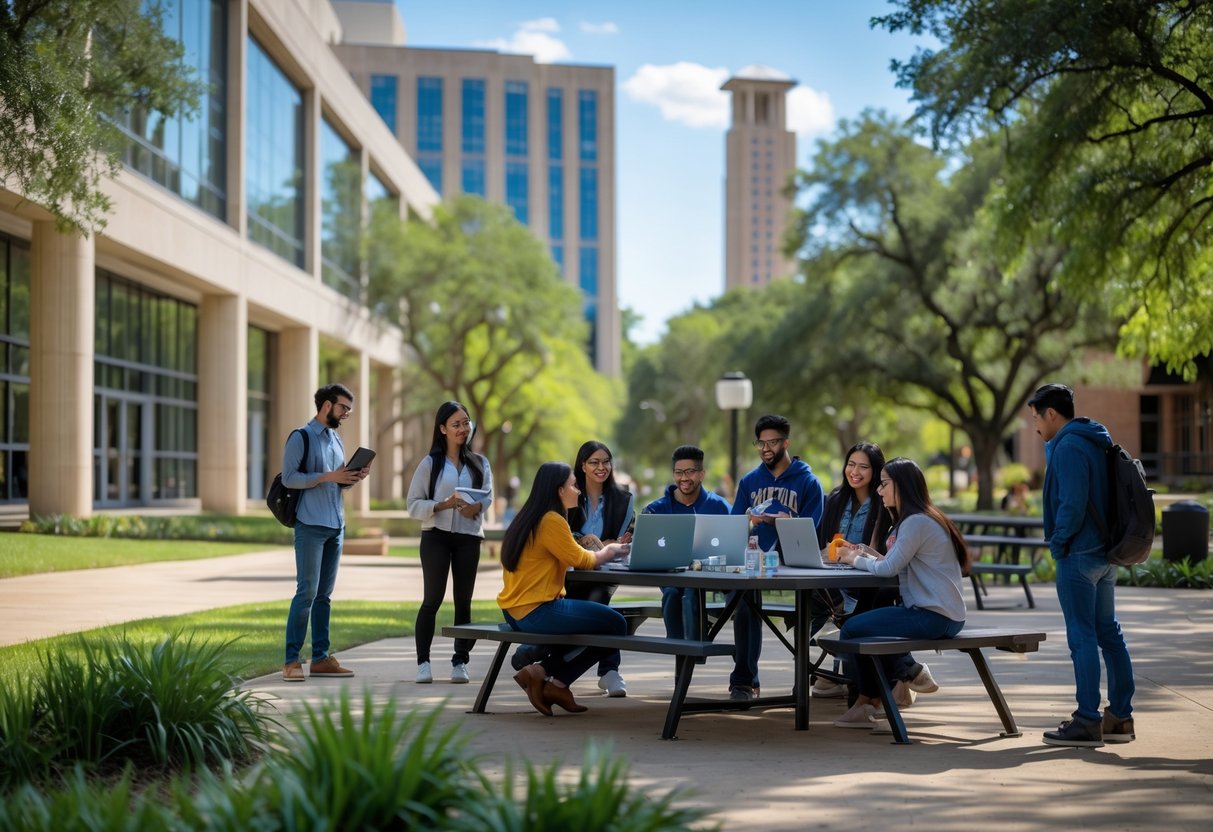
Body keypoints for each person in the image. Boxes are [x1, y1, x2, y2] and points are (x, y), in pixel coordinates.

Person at [1028, 383, 1135, 747]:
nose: (1036, 427)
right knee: (1109, 633)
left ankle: (1088, 720)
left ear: (1052, 414)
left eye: (1036, 418)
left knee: (1083, 635)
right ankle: (1120, 718)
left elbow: (1072, 504)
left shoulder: (1070, 446)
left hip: (1080, 555)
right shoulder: (1095, 439)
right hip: (1106, 554)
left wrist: (1059, 544)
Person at [833, 457, 968, 728]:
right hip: (938, 613)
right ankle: (877, 697)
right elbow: (892, 563)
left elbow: (888, 569)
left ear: (902, 486)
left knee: (852, 629)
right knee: (867, 628)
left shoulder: (916, 522)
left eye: (884, 484)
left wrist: (852, 559)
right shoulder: (919, 518)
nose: (879, 491)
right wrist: (866, 553)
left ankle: (868, 702)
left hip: (933, 615)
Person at [498, 462, 631, 716]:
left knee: (596, 621)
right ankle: (549, 676)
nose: (578, 490)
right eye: (573, 484)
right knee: (616, 624)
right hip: (537, 610)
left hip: (514, 610)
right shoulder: (551, 520)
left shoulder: (529, 517)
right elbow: (583, 560)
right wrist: (610, 550)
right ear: (559, 490)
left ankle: (554, 682)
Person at [728, 414, 825, 701]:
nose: (766, 448)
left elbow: (811, 531)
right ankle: (744, 682)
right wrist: (751, 521)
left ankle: (802, 676)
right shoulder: (749, 482)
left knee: (815, 606)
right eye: (761, 443)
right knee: (745, 600)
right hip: (756, 565)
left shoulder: (809, 482)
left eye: (772, 442)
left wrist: (785, 521)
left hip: (796, 567)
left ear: (786, 443)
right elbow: (735, 527)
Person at [281, 383, 372, 682]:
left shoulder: (336, 439)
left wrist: (352, 477)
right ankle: (291, 661)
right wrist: (327, 476)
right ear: (327, 405)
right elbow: (290, 479)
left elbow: (337, 482)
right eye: (344, 407)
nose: (347, 413)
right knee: (306, 592)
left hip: (336, 525)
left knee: (324, 596)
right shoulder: (301, 437)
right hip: (310, 524)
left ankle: (320, 658)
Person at [406, 401, 493, 685]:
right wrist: (441, 505)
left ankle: (460, 662)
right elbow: (412, 504)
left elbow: (487, 497)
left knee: (463, 601)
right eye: (456, 424)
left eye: (466, 423)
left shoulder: (481, 463)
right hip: (436, 537)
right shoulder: (430, 464)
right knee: (432, 600)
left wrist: (475, 508)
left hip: (469, 538)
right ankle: (423, 663)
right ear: (442, 429)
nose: (462, 429)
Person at [810, 441, 897, 700]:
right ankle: (819, 672)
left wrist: (855, 554)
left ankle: (838, 676)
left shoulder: (884, 504)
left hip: (869, 583)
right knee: (808, 602)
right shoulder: (835, 499)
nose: (854, 471)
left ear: (876, 471)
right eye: (850, 464)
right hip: (833, 580)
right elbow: (821, 542)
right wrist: (825, 552)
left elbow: (885, 553)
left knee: (835, 610)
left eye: (863, 467)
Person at [562, 440, 635, 697]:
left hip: (606, 571)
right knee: (596, 608)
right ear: (582, 465)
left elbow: (623, 538)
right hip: (572, 570)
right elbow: (565, 534)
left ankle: (604, 670)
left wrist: (601, 544)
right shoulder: (569, 494)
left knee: (599, 598)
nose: (601, 467)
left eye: (605, 461)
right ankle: (608, 671)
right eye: (594, 462)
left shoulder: (624, 499)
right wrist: (598, 543)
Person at [642, 445, 732, 639]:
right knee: (673, 594)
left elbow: (734, 544)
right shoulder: (655, 510)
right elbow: (645, 550)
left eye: (690, 472)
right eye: (679, 472)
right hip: (670, 576)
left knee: (692, 591)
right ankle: (680, 652)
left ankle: (693, 651)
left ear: (701, 474)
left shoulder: (720, 507)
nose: (684, 478)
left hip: (709, 575)